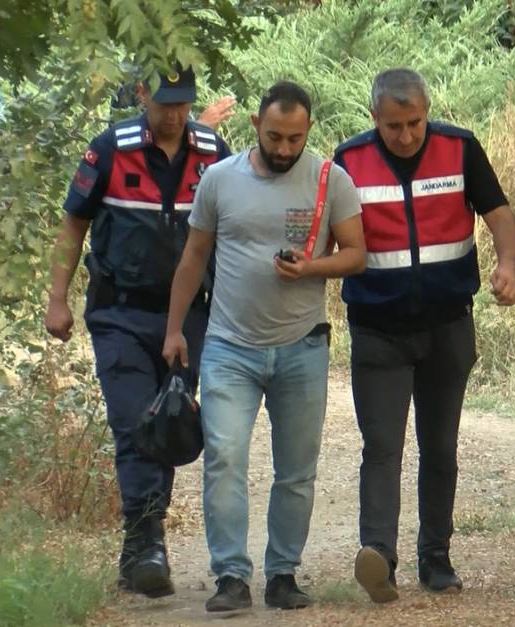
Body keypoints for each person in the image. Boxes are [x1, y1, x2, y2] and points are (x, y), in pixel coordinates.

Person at [162, 81, 366, 613]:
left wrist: (312, 268)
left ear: (308, 132)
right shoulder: (219, 180)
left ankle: (283, 574)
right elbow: (193, 256)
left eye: (294, 139)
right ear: (255, 124)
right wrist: (174, 329)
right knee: (225, 458)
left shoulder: (330, 179)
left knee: (296, 468)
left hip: (302, 346)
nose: (283, 149)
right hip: (230, 346)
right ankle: (230, 576)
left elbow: (356, 254)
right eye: (274, 136)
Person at [333, 67, 515, 602]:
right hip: (377, 328)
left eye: (415, 122)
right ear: (375, 118)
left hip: (447, 324)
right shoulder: (348, 162)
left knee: (440, 448)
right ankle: (379, 558)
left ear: (427, 112)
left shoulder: (460, 149)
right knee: (382, 445)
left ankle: (436, 558)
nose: (406, 135)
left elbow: (501, 217)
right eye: (394, 125)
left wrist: (508, 266)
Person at [43, 66, 231, 598]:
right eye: (164, 102)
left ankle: (142, 542)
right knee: (133, 423)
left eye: (183, 103)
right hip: (121, 312)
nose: (174, 114)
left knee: (167, 423)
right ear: (143, 93)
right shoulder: (109, 149)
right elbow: (72, 226)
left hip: (191, 315)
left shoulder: (213, 149)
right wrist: (57, 300)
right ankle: (146, 539)